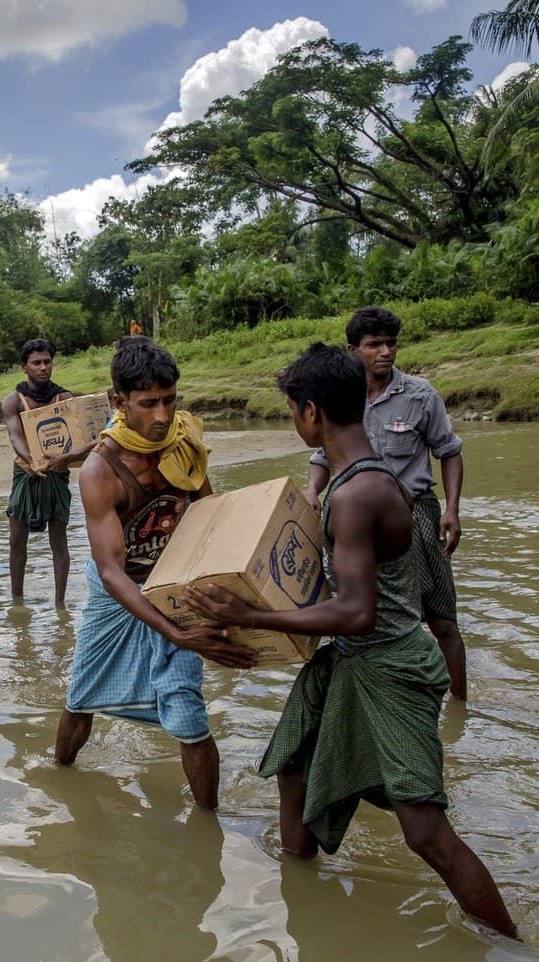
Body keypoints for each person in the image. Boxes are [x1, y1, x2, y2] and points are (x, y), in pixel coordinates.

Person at [186, 343, 517, 939]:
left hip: (389, 666)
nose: (293, 420)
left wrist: (250, 616)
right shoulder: (352, 481)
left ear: (311, 413)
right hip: (350, 662)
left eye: (292, 409)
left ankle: (508, 944)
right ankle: (303, 891)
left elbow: (359, 612)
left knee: (425, 834)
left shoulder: (356, 494)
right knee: (292, 767)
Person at [53, 337, 252, 808]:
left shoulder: (184, 444)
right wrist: (176, 634)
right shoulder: (101, 470)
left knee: (189, 712)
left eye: (170, 400)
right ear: (119, 402)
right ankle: (58, 778)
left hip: (174, 585)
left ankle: (209, 821)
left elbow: (210, 518)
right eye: (148, 404)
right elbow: (110, 570)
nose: (162, 415)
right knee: (81, 695)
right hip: (117, 590)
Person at [306, 307, 468, 700]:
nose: (385, 352)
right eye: (374, 344)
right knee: (368, 614)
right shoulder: (342, 397)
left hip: (416, 514)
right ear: (352, 349)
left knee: (440, 617)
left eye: (391, 343)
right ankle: (385, 693)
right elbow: (324, 456)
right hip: (355, 518)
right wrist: (311, 491)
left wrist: (451, 509)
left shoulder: (419, 394)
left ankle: (461, 705)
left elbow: (449, 451)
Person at [2, 339, 90, 605]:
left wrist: (67, 458)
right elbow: (15, 435)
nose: (43, 368)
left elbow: (80, 438)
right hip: (26, 473)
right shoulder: (13, 401)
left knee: (59, 541)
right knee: (17, 541)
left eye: (47, 362)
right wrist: (31, 458)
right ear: (24, 367)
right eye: (36, 363)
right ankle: (18, 601)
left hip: (58, 473)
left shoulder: (64, 398)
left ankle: (60, 603)